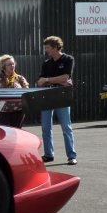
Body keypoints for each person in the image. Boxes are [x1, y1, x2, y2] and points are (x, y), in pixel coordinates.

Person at [36, 36, 77, 165]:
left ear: (55, 47)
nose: (46, 50)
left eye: (48, 48)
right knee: (46, 127)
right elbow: (39, 82)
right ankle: (48, 155)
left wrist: (48, 80)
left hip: (62, 96)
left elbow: (65, 77)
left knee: (66, 127)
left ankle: (71, 156)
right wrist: (54, 80)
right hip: (47, 96)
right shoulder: (46, 63)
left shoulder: (68, 59)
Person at [0, 54, 29, 126]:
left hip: (18, 111)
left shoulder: (20, 78)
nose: (12, 66)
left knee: (16, 133)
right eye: (9, 64)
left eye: (13, 64)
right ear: (3, 67)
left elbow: (27, 92)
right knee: (4, 134)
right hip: (2, 112)